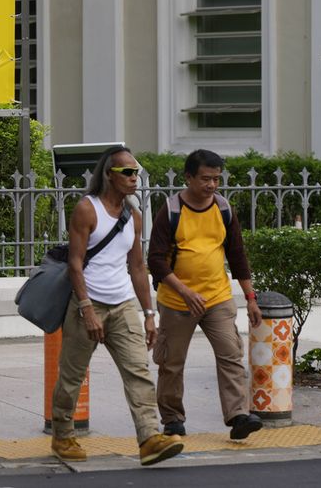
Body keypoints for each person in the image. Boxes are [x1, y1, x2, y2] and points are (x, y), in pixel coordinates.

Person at [50, 146, 184, 466]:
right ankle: (63, 435)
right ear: (109, 175)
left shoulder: (133, 216)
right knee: (73, 375)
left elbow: (138, 267)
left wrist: (149, 314)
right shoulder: (87, 209)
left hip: (122, 304)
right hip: (89, 303)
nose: (134, 178)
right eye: (127, 172)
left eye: (136, 172)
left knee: (138, 371)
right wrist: (85, 308)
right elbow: (75, 263)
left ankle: (149, 438)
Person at [147, 149, 264, 440]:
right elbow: (156, 261)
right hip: (176, 302)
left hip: (217, 298)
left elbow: (237, 255)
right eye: (205, 179)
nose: (211, 185)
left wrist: (250, 298)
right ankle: (173, 419)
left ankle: (238, 416)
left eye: (216, 179)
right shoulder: (171, 210)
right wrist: (185, 292)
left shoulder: (223, 209)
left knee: (231, 355)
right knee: (171, 363)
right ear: (188, 177)